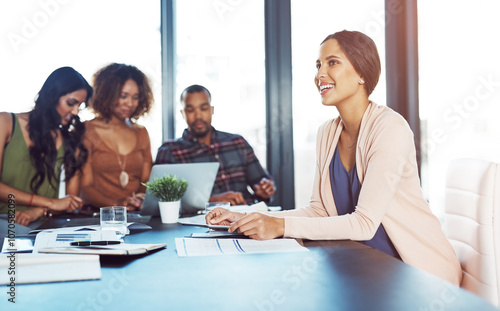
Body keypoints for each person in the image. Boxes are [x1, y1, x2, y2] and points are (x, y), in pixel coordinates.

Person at [206, 30, 462, 285]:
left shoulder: (390, 128)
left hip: (418, 275)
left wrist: (280, 226)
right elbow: (319, 211)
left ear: (362, 73)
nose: (319, 74)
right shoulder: (327, 132)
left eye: (332, 62)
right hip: (363, 266)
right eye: (318, 65)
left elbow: (364, 224)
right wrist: (247, 218)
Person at [0, 67, 92, 226]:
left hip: (44, 221)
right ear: (52, 96)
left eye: (80, 106)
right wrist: (49, 202)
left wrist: (41, 210)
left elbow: (71, 202)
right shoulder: (6, 123)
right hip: (5, 220)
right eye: (71, 103)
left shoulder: (70, 141)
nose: (76, 111)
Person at [155, 84, 275, 206]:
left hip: (245, 215)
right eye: (190, 110)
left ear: (212, 110)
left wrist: (264, 189)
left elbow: (261, 181)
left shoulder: (237, 142)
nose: (198, 116)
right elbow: (160, 201)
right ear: (183, 113)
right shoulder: (169, 150)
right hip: (200, 222)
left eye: (204, 108)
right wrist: (211, 200)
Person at [80, 63, 153, 211]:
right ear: (107, 94)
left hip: (135, 214)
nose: (130, 103)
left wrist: (139, 199)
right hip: (97, 215)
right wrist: (117, 205)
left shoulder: (141, 133)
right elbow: (85, 188)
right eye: (123, 96)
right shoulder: (87, 131)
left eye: (136, 97)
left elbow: (146, 181)